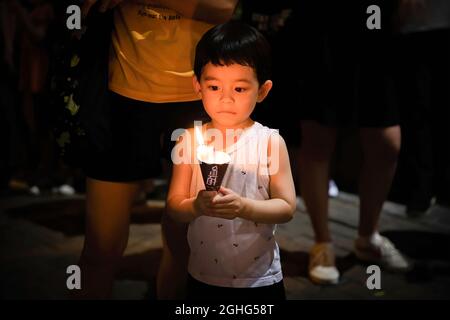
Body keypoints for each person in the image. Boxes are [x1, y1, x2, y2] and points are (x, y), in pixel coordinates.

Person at [76, 0, 237, 299]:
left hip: (200, 96)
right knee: (101, 248)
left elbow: (222, 7)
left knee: (185, 244)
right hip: (119, 94)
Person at [166, 21, 297, 300]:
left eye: (239, 89)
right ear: (198, 86)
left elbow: (286, 207)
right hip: (202, 274)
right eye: (214, 87)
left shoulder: (270, 142)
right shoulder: (188, 140)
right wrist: (195, 206)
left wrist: (244, 207)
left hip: (259, 278)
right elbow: (175, 206)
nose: (225, 98)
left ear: (262, 91)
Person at [294, 0, 410, 285]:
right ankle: (323, 243)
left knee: (387, 142)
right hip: (323, 24)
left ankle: (368, 236)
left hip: (376, 26)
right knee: (318, 137)